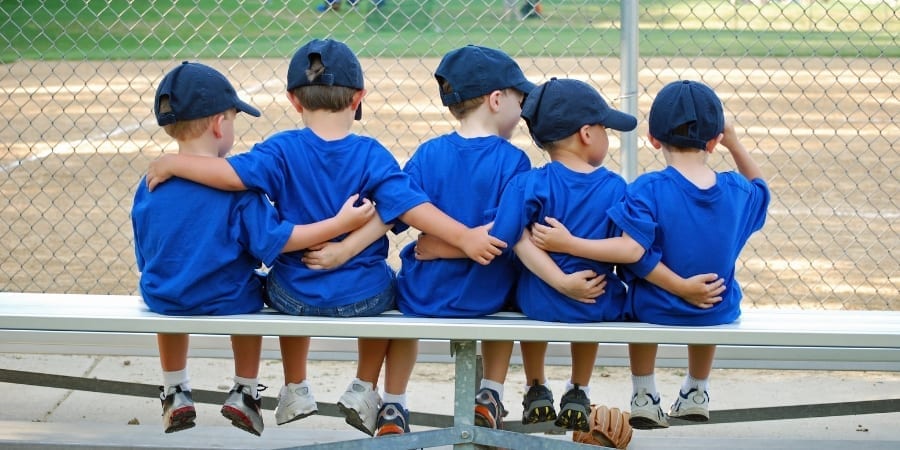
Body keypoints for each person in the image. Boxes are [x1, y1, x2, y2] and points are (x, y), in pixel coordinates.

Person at [144, 38, 507, 437]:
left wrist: (174, 161)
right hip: (363, 298)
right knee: (393, 287)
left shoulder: (280, 149)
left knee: (279, 277)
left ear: (294, 100)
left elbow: (230, 176)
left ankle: (296, 386)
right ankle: (364, 387)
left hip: (292, 297)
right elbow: (407, 206)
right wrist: (464, 237)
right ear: (358, 98)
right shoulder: (371, 153)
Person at [132, 61, 375, 436]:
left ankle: (175, 389)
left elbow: (147, 254)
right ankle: (245, 390)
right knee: (254, 289)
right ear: (218, 125)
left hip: (164, 295)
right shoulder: (240, 192)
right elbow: (276, 242)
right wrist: (340, 226)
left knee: (167, 288)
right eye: (232, 119)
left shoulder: (150, 183)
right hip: (226, 298)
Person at [482, 77, 648, 432]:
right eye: (605, 128)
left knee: (521, 292)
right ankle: (579, 389)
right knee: (596, 301)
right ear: (587, 134)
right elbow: (629, 249)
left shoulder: (529, 183)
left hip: (538, 301)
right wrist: (574, 265)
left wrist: (558, 279)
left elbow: (508, 237)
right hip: (594, 301)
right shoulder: (616, 187)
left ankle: (536, 386)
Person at [607, 80, 770, 429]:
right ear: (714, 141)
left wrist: (680, 287)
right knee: (713, 292)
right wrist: (736, 143)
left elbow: (635, 256)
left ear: (653, 140)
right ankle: (697, 390)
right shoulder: (737, 190)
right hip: (716, 311)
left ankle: (644, 395)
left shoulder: (647, 189)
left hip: (655, 309)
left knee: (636, 304)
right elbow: (762, 190)